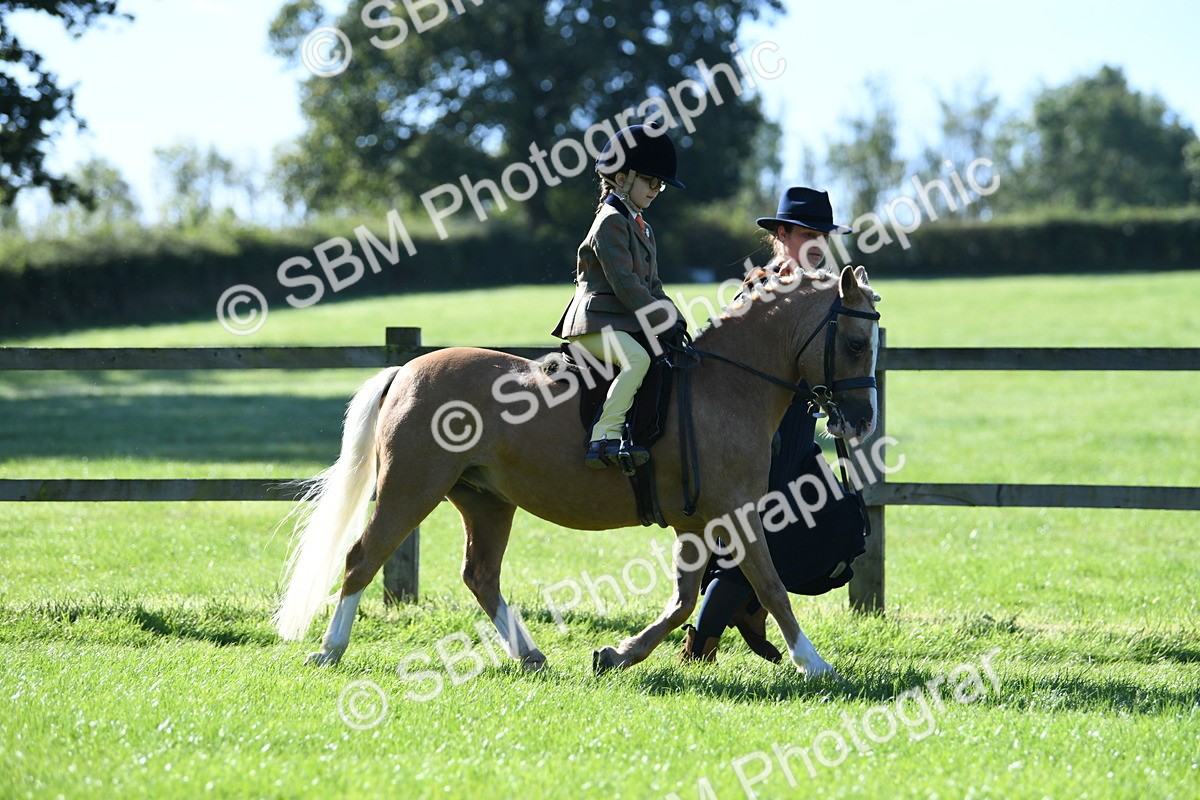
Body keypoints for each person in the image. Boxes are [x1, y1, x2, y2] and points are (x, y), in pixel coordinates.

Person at [679, 186, 868, 663]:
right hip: (768, 433)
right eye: (807, 234)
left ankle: (740, 614)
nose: (817, 243)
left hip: (798, 429)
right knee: (762, 536)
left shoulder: (820, 286)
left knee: (823, 523)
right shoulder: (766, 285)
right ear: (781, 234)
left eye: (822, 235)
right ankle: (703, 642)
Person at [551, 124, 687, 470]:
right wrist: (660, 319)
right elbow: (627, 286)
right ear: (622, 178)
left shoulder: (642, 225)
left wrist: (674, 316)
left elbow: (652, 287)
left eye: (660, 185)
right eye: (649, 181)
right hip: (594, 323)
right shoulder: (610, 222)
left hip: (620, 322)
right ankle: (604, 436)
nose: (656, 190)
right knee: (638, 360)